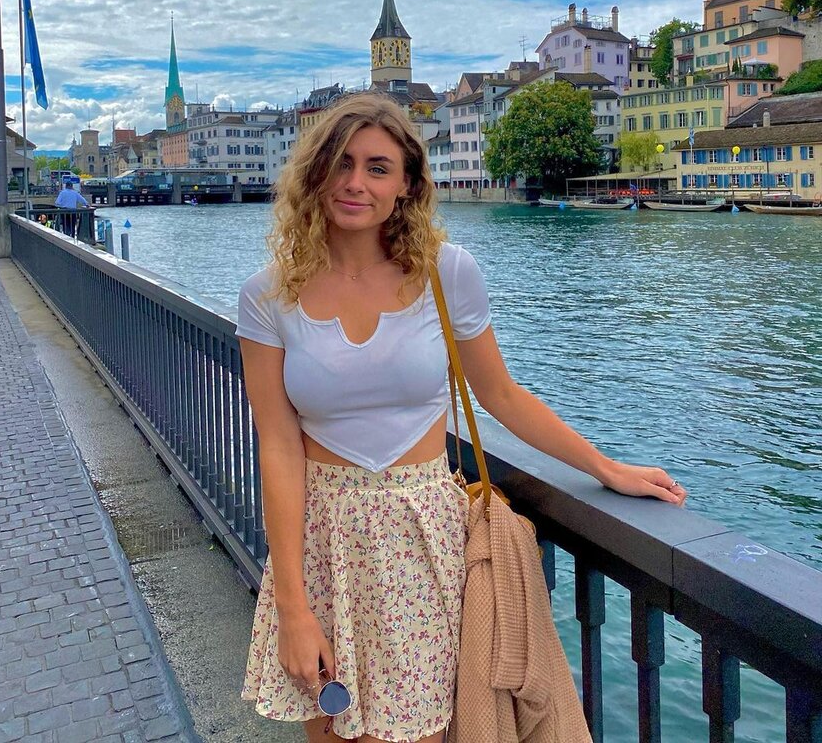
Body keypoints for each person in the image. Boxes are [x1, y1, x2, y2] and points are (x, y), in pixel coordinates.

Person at [236, 93, 686, 743]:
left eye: (378, 168)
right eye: (341, 163)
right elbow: (278, 446)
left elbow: (500, 393)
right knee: (331, 732)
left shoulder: (446, 273)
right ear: (315, 173)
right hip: (322, 540)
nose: (355, 182)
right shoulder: (268, 293)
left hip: (424, 536)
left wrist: (604, 467)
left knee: (426, 731)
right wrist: (291, 607)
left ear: (407, 185)